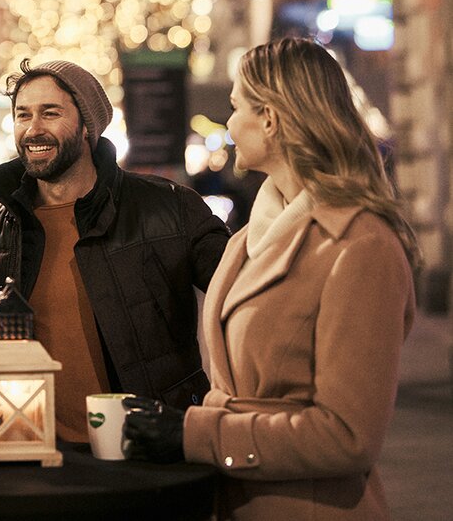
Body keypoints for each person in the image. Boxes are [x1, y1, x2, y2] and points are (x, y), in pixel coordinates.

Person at [123, 37, 419, 520]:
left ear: (270, 119)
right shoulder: (247, 239)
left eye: (235, 106)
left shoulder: (361, 245)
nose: (229, 123)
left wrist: (194, 435)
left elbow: (348, 437)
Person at [0, 59, 230, 442]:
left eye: (50, 113)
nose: (33, 129)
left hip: (148, 445)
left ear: (87, 126)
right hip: (30, 448)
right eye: (23, 115)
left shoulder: (168, 207)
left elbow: (246, 298)